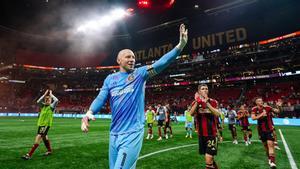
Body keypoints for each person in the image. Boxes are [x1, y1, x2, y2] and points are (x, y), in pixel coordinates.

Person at [81, 24, 188, 169]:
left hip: (132, 133)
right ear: (119, 60)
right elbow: (101, 98)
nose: (132, 59)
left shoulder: (139, 74)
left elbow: (162, 62)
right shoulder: (110, 79)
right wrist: (89, 112)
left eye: (133, 57)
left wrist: (180, 46)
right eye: (128, 57)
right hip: (114, 133)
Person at [190, 84, 222, 169]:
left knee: (208, 160)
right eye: (203, 89)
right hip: (201, 135)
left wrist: (207, 103)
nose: (205, 90)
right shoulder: (195, 102)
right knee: (210, 159)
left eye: (206, 89)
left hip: (211, 134)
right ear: (199, 91)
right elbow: (191, 113)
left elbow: (218, 114)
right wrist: (197, 102)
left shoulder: (213, 102)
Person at [22, 90, 59, 160]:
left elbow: (56, 100)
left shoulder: (51, 107)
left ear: (51, 101)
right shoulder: (43, 106)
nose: (47, 100)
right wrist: (44, 95)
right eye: (46, 99)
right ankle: (49, 151)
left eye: (49, 99)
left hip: (45, 125)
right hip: (40, 125)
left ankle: (29, 154)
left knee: (38, 137)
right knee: (45, 137)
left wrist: (51, 95)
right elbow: (38, 101)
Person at [251, 97, 282, 168]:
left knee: (270, 144)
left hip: (269, 129)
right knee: (266, 147)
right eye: (259, 101)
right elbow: (253, 118)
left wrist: (279, 107)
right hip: (261, 130)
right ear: (256, 103)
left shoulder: (268, 107)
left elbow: (277, 111)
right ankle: (269, 159)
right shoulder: (254, 109)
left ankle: (272, 162)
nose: (261, 101)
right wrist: (261, 114)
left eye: (261, 100)